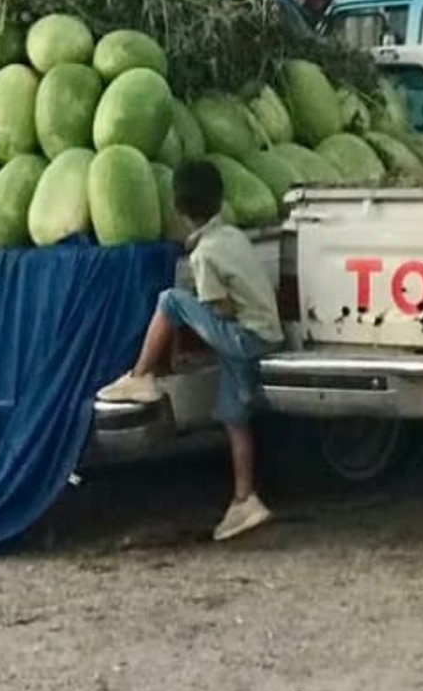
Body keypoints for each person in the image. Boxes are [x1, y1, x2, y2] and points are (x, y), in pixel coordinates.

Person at [96, 159, 285, 542]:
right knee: (234, 418)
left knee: (170, 300)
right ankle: (245, 500)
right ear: (220, 199)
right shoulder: (233, 236)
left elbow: (220, 310)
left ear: (178, 210)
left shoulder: (204, 254)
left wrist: (196, 331)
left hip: (244, 337)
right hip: (265, 335)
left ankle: (140, 376)